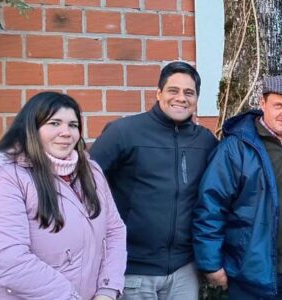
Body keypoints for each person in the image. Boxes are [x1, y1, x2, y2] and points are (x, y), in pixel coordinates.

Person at [0, 92, 127, 299]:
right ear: (31, 129)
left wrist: (107, 291)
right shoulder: (2, 178)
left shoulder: (90, 171)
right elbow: (8, 260)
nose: (66, 132)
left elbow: (114, 230)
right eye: (54, 123)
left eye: (73, 125)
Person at [90, 61, 218, 299]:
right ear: (159, 93)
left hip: (184, 269)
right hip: (134, 269)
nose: (181, 98)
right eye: (173, 90)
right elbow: (85, 183)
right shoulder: (124, 132)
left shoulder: (205, 141)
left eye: (189, 93)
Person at [194, 75, 282, 300]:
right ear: (262, 104)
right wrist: (211, 264)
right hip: (249, 274)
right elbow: (211, 205)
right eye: (278, 105)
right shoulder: (237, 148)